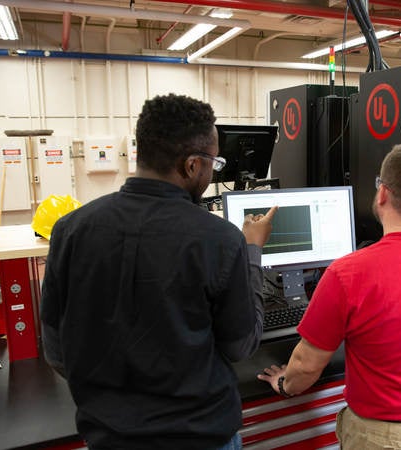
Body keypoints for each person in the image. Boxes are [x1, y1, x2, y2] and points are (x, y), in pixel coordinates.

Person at [40, 93, 277, 450]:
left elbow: (57, 351)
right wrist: (252, 251)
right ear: (193, 165)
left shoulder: (70, 229)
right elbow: (241, 344)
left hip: (109, 437)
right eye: (214, 162)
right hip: (200, 437)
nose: (213, 170)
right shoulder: (220, 239)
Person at [258, 143, 401, 449]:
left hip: (385, 439)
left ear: (383, 193)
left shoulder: (348, 274)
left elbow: (306, 366)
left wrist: (284, 384)